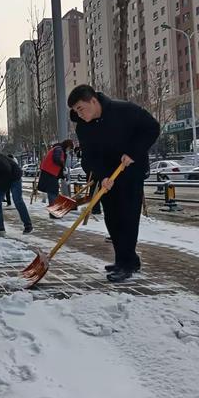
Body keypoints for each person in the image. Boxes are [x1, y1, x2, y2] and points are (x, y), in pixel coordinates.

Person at [68, 84, 160, 282]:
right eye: (76, 111)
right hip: (107, 178)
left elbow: (152, 127)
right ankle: (127, 259)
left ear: (93, 101)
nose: (79, 114)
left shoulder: (124, 110)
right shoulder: (83, 127)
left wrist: (134, 152)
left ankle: (125, 265)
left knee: (127, 218)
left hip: (130, 171)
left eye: (80, 108)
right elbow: (88, 157)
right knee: (112, 219)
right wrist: (102, 177)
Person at [37, 140, 74, 213]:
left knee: (53, 192)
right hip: (49, 174)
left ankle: (54, 210)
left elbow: (59, 169)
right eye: (69, 149)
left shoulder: (60, 150)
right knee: (53, 192)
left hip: (50, 174)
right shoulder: (59, 149)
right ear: (68, 146)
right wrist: (63, 166)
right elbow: (56, 159)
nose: (69, 151)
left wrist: (64, 177)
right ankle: (54, 212)